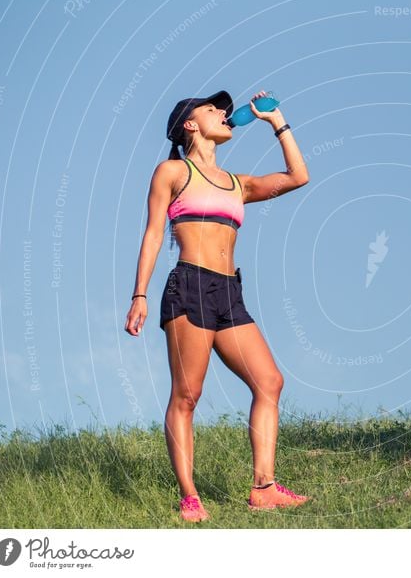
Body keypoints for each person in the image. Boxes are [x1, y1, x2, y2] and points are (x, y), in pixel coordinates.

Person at [124, 90, 310, 522]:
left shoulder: (237, 184)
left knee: (270, 382)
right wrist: (139, 294)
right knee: (187, 395)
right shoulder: (172, 172)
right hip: (189, 285)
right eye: (213, 109)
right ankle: (189, 496)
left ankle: (263, 487)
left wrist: (275, 120)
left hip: (229, 291)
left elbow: (298, 176)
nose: (225, 113)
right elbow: (153, 234)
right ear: (190, 124)